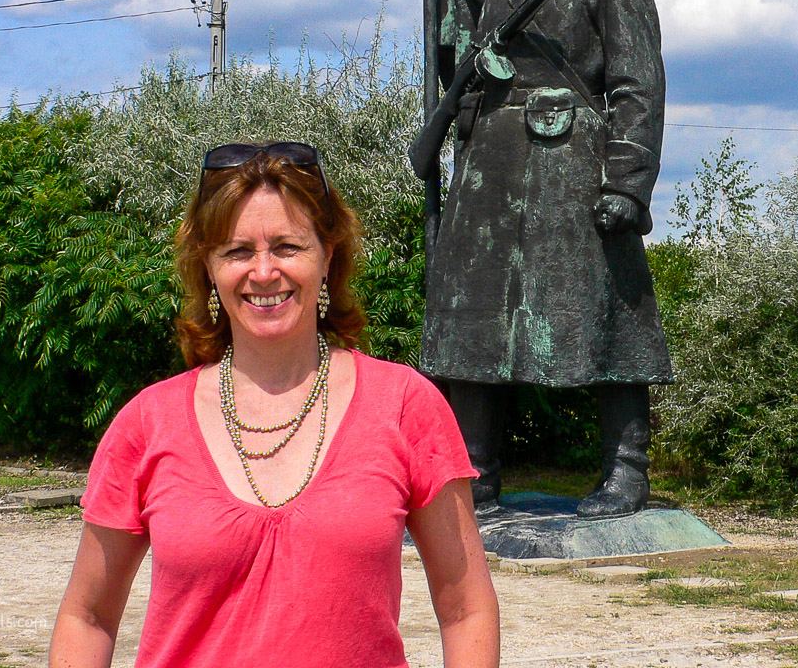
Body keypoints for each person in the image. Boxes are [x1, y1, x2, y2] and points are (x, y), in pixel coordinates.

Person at [49, 143, 499, 668]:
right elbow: (88, 617)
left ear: (328, 256)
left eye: (287, 246)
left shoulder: (405, 405)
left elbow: (467, 609)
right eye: (237, 251)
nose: (263, 272)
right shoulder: (146, 423)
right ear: (209, 267)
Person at [414, 0, 672, 518]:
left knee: (604, 316)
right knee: (473, 317)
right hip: (492, 162)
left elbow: (636, 87)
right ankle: (475, 475)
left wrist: (626, 183)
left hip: (571, 163)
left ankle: (626, 471)